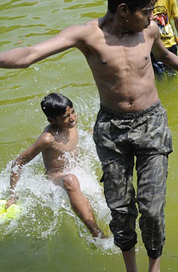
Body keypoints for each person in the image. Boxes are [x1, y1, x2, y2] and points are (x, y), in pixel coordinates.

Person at [0, 0, 178, 272]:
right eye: (146, 12)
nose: (152, 18)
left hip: (152, 123)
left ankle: (154, 270)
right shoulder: (88, 35)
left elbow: (166, 58)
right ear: (123, 11)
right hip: (112, 129)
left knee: (152, 208)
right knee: (120, 207)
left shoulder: (150, 31)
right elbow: (30, 54)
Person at [6, 93, 106, 238]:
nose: (72, 118)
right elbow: (18, 162)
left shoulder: (71, 124)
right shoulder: (48, 139)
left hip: (76, 169)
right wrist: (13, 195)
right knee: (71, 180)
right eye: (66, 116)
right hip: (57, 178)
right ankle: (96, 232)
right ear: (52, 120)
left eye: (73, 112)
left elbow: (79, 136)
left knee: (102, 199)